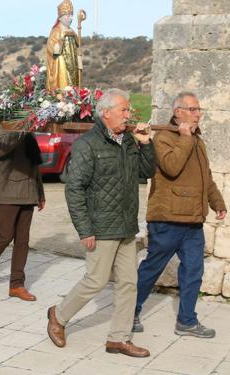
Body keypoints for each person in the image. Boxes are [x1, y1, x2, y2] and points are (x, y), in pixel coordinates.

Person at [46, 88, 155, 358]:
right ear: (105, 113)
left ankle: (119, 338)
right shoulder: (88, 145)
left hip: (126, 225)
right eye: (124, 110)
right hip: (101, 227)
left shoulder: (129, 141)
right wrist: (85, 229)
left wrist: (145, 144)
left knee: (129, 283)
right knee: (95, 281)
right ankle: (58, 317)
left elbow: (147, 171)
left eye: (128, 110)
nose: (128, 114)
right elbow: (75, 190)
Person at [134, 91, 227, 339]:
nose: (198, 114)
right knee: (152, 269)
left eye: (199, 110)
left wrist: (217, 202)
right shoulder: (164, 138)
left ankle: (186, 321)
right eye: (193, 109)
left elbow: (206, 176)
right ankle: (130, 311)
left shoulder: (197, 140)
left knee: (194, 271)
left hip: (193, 221)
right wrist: (185, 138)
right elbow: (172, 167)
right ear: (178, 112)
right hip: (167, 219)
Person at [0, 119, 45, 301]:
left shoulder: (25, 128)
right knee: (4, 235)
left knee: (23, 240)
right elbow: (3, 147)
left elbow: (34, 163)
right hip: (6, 190)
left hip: (28, 190)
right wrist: (24, 126)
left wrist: (40, 192)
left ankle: (17, 284)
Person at [46, 0, 81, 91]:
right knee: (63, 84)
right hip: (62, 62)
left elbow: (77, 47)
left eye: (71, 15)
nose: (71, 18)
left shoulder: (72, 31)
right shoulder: (56, 31)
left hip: (73, 62)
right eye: (68, 16)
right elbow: (52, 48)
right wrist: (58, 44)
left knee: (74, 85)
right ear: (61, 17)